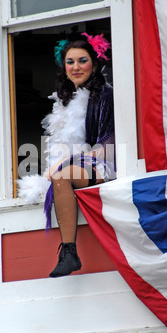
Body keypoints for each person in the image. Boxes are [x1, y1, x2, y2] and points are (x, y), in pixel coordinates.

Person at [45, 32, 116, 278]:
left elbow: (108, 141)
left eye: (82, 60)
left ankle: (69, 253)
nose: (76, 67)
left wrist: (66, 164)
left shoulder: (104, 94)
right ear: (63, 67)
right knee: (57, 178)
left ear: (95, 64)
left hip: (105, 162)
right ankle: (69, 252)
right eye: (70, 62)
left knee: (61, 178)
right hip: (78, 164)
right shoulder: (65, 101)